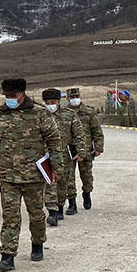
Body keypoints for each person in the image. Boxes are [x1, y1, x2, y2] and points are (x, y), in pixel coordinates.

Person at [0, 77, 62, 272]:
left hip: (33, 175)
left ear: (23, 93)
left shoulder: (39, 113)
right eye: (6, 96)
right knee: (10, 216)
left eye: (13, 95)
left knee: (36, 214)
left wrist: (57, 168)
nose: (9, 99)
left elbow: (54, 140)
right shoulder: (0, 114)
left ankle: (37, 243)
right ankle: (7, 255)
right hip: (8, 175)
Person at [41, 88, 87, 227]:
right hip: (44, 155)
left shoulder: (70, 114)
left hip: (63, 155)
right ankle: (52, 211)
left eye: (53, 102)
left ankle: (60, 206)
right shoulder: (40, 115)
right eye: (47, 102)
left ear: (59, 101)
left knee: (62, 183)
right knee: (48, 184)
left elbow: (79, 133)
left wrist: (81, 151)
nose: (50, 104)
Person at [65, 87, 104, 212]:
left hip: (86, 150)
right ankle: (72, 203)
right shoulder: (64, 112)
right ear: (67, 98)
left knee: (86, 176)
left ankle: (87, 194)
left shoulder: (88, 112)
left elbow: (97, 131)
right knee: (69, 178)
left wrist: (98, 147)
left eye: (76, 96)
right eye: (72, 97)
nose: (74, 99)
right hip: (69, 150)